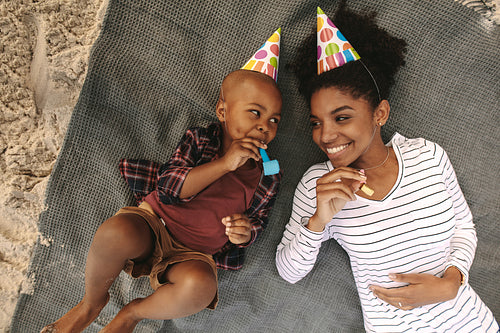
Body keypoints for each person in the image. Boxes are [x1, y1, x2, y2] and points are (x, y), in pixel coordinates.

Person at [41, 28, 283, 333]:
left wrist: (244, 233)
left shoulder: (268, 176)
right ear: (223, 110)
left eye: (274, 120)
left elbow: (259, 221)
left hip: (194, 254)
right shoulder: (201, 140)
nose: (264, 127)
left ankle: (132, 313)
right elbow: (169, 188)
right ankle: (92, 302)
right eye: (255, 113)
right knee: (114, 233)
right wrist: (224, 164)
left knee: (201, 288)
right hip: (154, 222)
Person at [275, 5, 499, 332]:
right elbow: (288, 271)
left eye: (342, 117)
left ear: (380, 113)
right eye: (316, 122)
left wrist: (453, 281)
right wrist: (318, 221)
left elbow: (464, 228)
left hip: (472, 323)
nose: (325, 135)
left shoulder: (428, 155)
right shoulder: (318, 185)